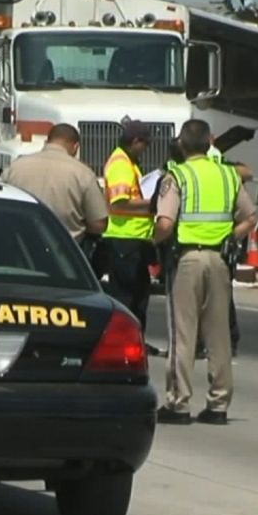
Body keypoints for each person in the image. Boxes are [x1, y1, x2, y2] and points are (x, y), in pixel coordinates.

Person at [154, 119, 258, 425]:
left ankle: (178, 403)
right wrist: (230, 238)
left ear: (182, 145)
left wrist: (153, 242)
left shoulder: (178, 176)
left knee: (183, 334)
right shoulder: (228, 175)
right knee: (218, 335)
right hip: (219, 262)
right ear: (209, 144)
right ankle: (218, 405)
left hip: (187, 260)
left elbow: (165, 224)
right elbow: (251, 217)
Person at [102, 121, 159, 354]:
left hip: (134, 239)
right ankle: (123, 344)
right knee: (127, 298)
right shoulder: (121, 165)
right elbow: (120, 202)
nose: (144, 150)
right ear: (136, 142)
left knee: (138, 296)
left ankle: (134, 341)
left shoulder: (128, 163)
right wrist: (154, 202)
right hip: (124, 239)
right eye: (144, 145)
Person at [2, 124, 108, 243]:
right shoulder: (83, 174)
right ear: (76, 146)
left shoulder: (15, 167)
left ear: (46, 142)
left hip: (19, 247)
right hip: (63, 252)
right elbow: (99, 224)